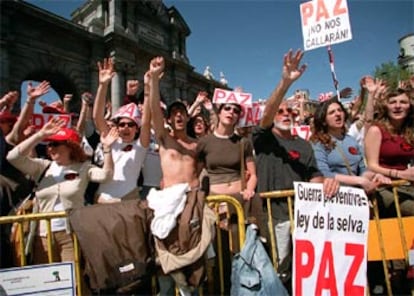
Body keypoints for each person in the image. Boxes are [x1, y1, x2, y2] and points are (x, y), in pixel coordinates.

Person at [252, 49, 339, 287]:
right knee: (279, 268)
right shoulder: (263, 138)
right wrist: (286, 82)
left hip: (304, 214)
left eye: (290, 111)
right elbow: (267, 113)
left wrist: (325, 183)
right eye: (281, 111)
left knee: (305, 269)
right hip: (274, 214)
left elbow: (314, 174)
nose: (286, 114)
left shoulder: (304, 145)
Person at [148, 56, 215, 295]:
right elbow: (154, 110)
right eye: (174, 112)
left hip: (193, 206)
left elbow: (218, 135)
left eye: (182, 113)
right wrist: (154, 80)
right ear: (168, 120)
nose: (178, 116)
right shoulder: (165, 140)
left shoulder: (197, 145)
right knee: (167, 271)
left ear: (187, 117)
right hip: (169, 206)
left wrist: (210, 109)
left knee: (195, 267)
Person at [6, 118, 116, 264]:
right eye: (49, 144)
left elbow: (106, 176)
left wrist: (107, 149)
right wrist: (40, 135)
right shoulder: (42, 167)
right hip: (42, 235)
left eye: (56, 144)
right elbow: (13, 157)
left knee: (73, 281)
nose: (50, 148)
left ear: (71, 147)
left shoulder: (83, 168)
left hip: (71, 234)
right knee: (47, 282)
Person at [93, 57, 151, 203]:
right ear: (117, 127)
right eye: (122, 124)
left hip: (128, 200)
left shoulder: (141, 145)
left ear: (137, 129)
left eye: (130, 125)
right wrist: (103, 85)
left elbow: (147, 119)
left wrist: (148, 87)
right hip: (102, 200)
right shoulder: (111, 139)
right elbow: (97, 117)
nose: (125, 127)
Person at [310, 97, 390, 193]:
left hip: (357, 195)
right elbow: (323, 174)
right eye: (332, 113)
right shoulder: (318, 143)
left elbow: (362, 169)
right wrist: (358, 180)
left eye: (340, 110)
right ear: (323, 121)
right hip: (335, 195)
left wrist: (373, 175)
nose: (338, 114)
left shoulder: (352, 140)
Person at [365, 83, 414, 217]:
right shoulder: (376, 130)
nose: (397, 106)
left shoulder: (409, 131)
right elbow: (371, 165)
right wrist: (400, 174)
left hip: (408, 185)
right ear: (386, 107)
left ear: (409, 107)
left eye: (403, 102)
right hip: (383, 186)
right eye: (392, 102)